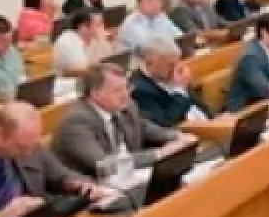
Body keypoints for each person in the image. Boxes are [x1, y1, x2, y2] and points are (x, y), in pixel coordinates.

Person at [51, 64, 180, 177]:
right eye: (118, 90)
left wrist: (177, 136)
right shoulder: (76, 122)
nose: (126, 95)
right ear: (95, 93)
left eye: (126, 88)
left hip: (127, 177)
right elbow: (105, 164)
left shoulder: (127, 105)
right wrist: (159, 154)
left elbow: (142, 126)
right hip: (93, 186)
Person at [0, 102, 116, 210]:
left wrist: (82, 185)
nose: (28, 153)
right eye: (21, 147)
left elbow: (61, 176)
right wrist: (4, 216)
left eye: (32, 145)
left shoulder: (31, 146)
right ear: (0, 134)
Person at [129, 38, 211, 129]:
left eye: (177, 63)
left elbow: (203, 109)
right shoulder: (140, 90)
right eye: (171, 65)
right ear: (149, 63)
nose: (176, 69)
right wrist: (180, 90)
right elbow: (166, 123)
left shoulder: (171, 75)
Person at [118, 0, 182, 54]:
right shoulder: (131, 23)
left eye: (158, 1)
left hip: (163, 55)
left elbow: (179, 36)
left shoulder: (161, 16)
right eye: (150, 1)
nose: (155, 4)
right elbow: (150, 45)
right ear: (139, 4)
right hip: (137, 58)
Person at [53, 9, 113, 76]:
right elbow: (83, 70)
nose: (103, 27)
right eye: (99, 24)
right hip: (68, 80)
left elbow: (110, 60)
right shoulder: (68, 41)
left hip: (90, 77)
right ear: (83, 27)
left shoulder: (94, 38)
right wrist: (102, 41)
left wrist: (103, 42)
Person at [0, 17, 25, 103]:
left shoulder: (12, 52)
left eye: (6, 42)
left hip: (16, 98)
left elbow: (20, 77)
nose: (3, 48)